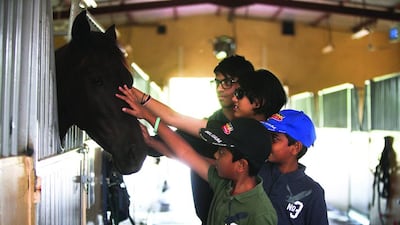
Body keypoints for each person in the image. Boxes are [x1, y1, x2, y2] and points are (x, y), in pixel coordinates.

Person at [117, 67, 287, 224]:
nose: (233, 97)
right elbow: (179, 131)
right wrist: (132, 95)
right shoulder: (227, 174)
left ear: (257, 102)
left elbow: (189, 155)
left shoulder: (261, 205)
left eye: (240, 93)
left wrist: (148, 119)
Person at [260, 109, 329, 225]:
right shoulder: (257, 172)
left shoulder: (313, 193)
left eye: (274, 138)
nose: (267, 143)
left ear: (295, 147)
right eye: (267, 136)